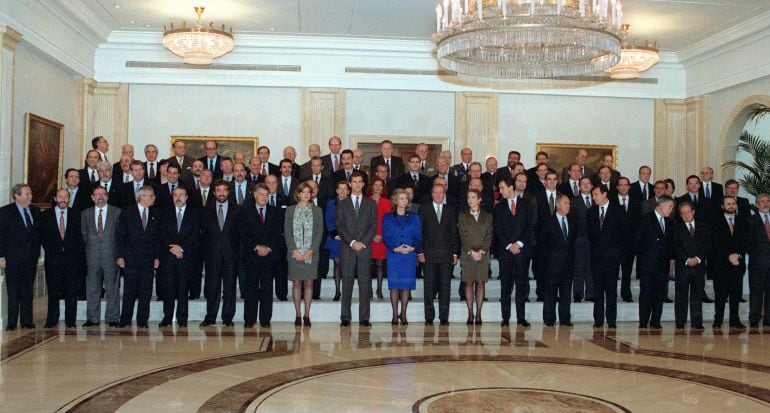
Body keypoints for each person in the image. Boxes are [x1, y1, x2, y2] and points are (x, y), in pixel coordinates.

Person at [336, 171, 377, 327]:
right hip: (347, 248)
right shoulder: (342, 204)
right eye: (354, 181)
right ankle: (345, 317)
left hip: (364, 249)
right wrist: (353, 242)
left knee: (365, 284)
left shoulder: (371, 203)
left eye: (360, 181)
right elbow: (340, 227)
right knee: (346, 284)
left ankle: (364, 317)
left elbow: (373, 226)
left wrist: (363, 242)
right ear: (350, 184)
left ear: (364, 184)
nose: (357, 184)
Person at [116, 186, 161, 328]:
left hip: (148, 258)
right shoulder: (127, 212)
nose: (154, 198)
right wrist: (120, 256)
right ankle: (125, 320)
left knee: (145, 291)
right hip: (130, 258)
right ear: (142, 197)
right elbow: (120, 235)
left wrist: (157, 257)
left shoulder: (156, 213)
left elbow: (158, 238)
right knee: (129, 291)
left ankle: (142, 320)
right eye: (151, 195)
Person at [240, 184, 283, 328]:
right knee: (250, 289)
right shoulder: (245, 211)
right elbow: (243, 233)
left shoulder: (275, 212)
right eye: (261, 194)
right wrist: (257, 247)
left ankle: (265, 320)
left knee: (267, 289)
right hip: (252, 255)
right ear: (255, 195)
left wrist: (268, 248)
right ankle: (249, 319)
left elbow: (278, 233)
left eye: (266, 195)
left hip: (269, 256)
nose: (264, 197)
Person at [40, 189, 85, 329]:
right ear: (55, 198)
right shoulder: (45, 215)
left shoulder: (76, 214)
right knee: (53, 290)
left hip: (72, 260)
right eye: (60, 197)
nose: (63, 199)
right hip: (53, 259)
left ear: (69, 199)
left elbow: (80, 237)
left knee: (71, 290)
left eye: (66, 197)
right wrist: (53, 250)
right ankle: (52, 319)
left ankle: (70, 320)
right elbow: (43, 237)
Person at [495, 174, 535, 327]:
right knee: (505, 284)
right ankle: (505, 317)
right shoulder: (498, 207)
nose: (500, 191)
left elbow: (530, 226)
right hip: (505, 252)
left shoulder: (526, 204)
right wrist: (509, 245)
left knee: (521, 284)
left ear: (511, 187)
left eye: (502, 188)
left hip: (522, 251)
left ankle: (521, 317)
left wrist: (519, 243)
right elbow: (498, 229)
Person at [0, 184, 42, 330]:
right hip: (13, 259)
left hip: (30, 259)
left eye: (30, 193)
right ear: (17, 196)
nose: (30, 196)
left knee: (27, 290)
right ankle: (12, 322)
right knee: (13, 291)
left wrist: (36, 256)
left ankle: (26, 321)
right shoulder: (5, 212)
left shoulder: (35, 211)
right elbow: (1, 236)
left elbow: (37, 236)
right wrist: (1, 257)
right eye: (27, 194)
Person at [283, 181, 324, 327]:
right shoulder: (290, 210)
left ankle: (307, 314)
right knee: (296, 283)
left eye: (309, 192)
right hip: (294, 254)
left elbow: (319, 232)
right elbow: (287, 232)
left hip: (311, 254)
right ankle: (298, 315)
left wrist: (310, 250)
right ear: (298, 194)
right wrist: (294, 250)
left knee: (308, 283)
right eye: (303, 192)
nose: (306, 194)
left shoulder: (317, 211)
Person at [587, 184, 628, 329]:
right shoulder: (591, 212)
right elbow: (589, 234)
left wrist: (618, 253)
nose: (593, 197)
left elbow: (624, 234)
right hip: (596, 257)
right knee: (597, 289)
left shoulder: (618, 210)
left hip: (612, 257)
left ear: (604, 194)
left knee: (611, 290)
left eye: (596, 194)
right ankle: (598, 320)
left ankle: (611, 320)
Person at [200, 180, 241, 327]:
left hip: (231, 255)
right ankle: (210, 317)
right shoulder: (205, 210)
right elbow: (202, 235)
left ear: (229, 192)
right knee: (212, 287)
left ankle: (228, 318)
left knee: (229, 287)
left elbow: (240, 235)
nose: (222, 193)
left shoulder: (237, 210)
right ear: (214, 192)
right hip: (212, 255)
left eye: (224, 190)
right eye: (219, 190)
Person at [159, 186, 201, 328]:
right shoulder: (164, 212)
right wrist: (172, 248)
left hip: (186, 256)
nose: (178, 197)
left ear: (187, 197)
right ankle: (167, 316)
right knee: (168, 288)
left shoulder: (195, 214)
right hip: (169, 256)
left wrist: (182, 248)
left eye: (181, 195)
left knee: (184, 288)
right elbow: (162, 233)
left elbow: (196, 235)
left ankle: (182, 318)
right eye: (175, 195)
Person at [418, 183, 459, 326]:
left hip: (446, 255)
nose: (438, 195)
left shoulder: (451, 210)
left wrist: (455, 253)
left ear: (444, 194)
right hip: (428, 254)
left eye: (441, 192)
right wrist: (420, 252)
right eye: (435, 192)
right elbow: (420, 233)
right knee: (428, 287)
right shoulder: (424, 209)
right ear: (431, 194)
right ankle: (429, 317)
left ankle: (444, 317)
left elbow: (454, 233)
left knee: (445, 287)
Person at [80, 186, 121, 327]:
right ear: (92, 197)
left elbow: (119, 236)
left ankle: (113, 318)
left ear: (107, 196)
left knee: (112, 288)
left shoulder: (117, 212)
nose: (100, 196)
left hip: (111, 255)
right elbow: (84, 235)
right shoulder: (85, 213)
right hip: (92, 256)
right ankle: (92, 318)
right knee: (92, 287)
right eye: (97, 194)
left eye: (103, 194)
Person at [382, 188, 422, 325]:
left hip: (409, 256)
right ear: (395, 200)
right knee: (394, 286)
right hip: (394, 255)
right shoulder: (387, 217)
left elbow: (418, 235)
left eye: (406, 198)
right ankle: (394, 315)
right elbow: (385, 235)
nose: (404, 201)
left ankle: (403, 315)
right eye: (401, 198)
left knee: (406, 286)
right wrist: (395, 248)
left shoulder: (414, 217)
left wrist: (413, 247)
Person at [636, 196, 675, 330]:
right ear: (661, 205)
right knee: (646, 293)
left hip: (663, 265)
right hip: (648, 264)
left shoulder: (670, 222)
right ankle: (643, 321)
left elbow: (671, 245)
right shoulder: (645, 219)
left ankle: (655, 321)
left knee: (660, 293)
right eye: (670, 207)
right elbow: (638, 241)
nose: (671, 210)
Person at [711, 196, 748, 330]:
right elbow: (715, 243)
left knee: (735, 294)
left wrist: (737, 254)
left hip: (737, 263)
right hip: (720, 264)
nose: (731, 206)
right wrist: (728, 255)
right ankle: (718, 320)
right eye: (728, 204)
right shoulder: (715, 221)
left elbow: (746, 241)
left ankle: (735, 320)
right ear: (722, 206)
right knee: (720, 295)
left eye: (733, 203)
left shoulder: (743, 221)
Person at [672, 201, 710, 330]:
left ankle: (697, 322)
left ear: (693, 212)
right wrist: (687, 259)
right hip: (683, 266)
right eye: (682, 213)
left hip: (699, 267)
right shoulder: (676, 228)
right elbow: (675, 248)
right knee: (681, 296)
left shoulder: (704, 226)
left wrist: (698, 259)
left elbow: (707, 245)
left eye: (688, 212)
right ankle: (680, 322)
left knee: (697, 295)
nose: (686, 215)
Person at [540, 194, 576, 327]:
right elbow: (542, 245)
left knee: (566, 292)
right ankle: (549, 319)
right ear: (558, 205)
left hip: (568, 264)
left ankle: (565, 318)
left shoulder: (571, 221)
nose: (568, 206)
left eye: (569, 203)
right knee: (550, 292)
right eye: (566, 203)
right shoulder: (548, 222)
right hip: (552, 264)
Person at [458, 189, 493, 325]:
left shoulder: (488, 216)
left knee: (480, 282)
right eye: (468, 197)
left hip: (483, 254)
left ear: (479, 200)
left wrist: (482, 250)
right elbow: (462, 234)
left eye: (473, 197)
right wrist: (471, 251)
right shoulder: (462, 215)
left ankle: (478, 313)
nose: (470, 200)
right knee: (468, 282)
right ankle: (470, 312)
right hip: (468, 254)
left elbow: (489, 234)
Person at [325, 180, 350, 301]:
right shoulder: (331, 203)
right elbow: (328, 219)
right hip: (336, 238)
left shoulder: (352, 203)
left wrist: (348, 235)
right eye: (340, 188)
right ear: (336, 190)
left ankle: (346, 291)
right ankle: (337, 291)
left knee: (347, 266)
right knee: (337, 264)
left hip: (349, 239)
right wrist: (335, 233)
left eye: (345, 189)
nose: (342, 191)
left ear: (349, 191)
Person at [747, 194, 770, 328]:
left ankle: (768, 319)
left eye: (768, 201)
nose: (765, 204)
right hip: (757, 262)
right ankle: (754, 318)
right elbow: (748, 244)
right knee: (756, 291)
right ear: (756, 204)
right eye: (762, 202)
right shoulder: (750, 221)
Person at [570, 177, 594, 303]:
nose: (585, 185)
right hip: (578, 239)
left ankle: (590, 293)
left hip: (593, 241)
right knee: (578, 268)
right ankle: (578, 294)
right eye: (583, 184)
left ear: (591, 186)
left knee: (591, 268)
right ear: (579, 187)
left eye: (588, 183)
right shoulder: (573, 201)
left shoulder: (597, 200)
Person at [368, 177, 391, 299]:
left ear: (383, 187)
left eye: (380, 185)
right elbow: (364, 221)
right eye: (375, 185)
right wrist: (371, 236)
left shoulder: (387, 202)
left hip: (382, 237)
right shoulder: (366, 200)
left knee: (380, 264)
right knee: (369, 264)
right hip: (369, 236)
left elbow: (387, 221)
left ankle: (379, 289)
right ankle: (369, 290)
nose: (377, 187)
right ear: (372, 186)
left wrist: (381, 235)